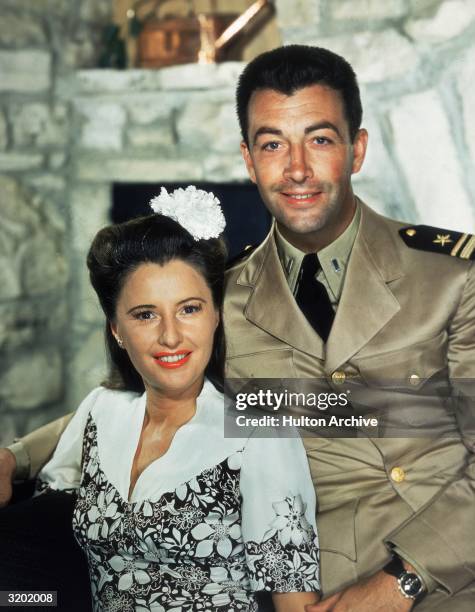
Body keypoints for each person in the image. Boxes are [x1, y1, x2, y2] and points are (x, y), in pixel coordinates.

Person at [2, 44, 475, 610]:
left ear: (357, 150)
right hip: (312, 585)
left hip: (449, 573)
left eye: (320, 140)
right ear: (249, 160)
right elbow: (141, 399)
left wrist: (405, 578)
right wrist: (15, 458)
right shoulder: (217, 298)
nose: (296, 169)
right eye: (273, 144)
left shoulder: (450, 276)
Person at [3, 187, 321, 611]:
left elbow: (295, 604)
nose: (171, 336)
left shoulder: (258, 434)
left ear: (215, 317)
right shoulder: (103, 410)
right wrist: (11, 457)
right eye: (145, 314)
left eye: (189, 309)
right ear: (116, 327)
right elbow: (46, 476)